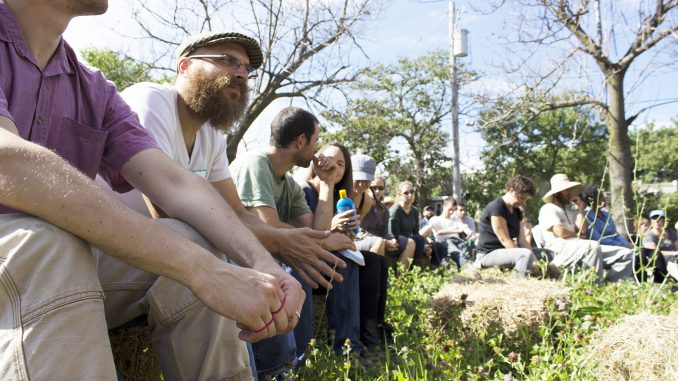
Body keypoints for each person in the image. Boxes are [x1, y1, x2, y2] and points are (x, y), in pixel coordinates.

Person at [0, 1, 302, 379]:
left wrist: (265, 267)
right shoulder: (150, 99)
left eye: (245, 67)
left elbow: (174, 182)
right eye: (228, 60)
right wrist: (201, 270)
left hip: (56, 266)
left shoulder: (93, 89)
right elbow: (7, 161)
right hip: (33, 256)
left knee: (189, 236)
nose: (240, 73)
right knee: (51, 244)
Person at [230, 107, 357, 373]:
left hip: (258, 258)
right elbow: (269, 229)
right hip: (234, 260)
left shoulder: (287, 183)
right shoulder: (256, 163)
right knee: (291, 271)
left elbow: (315, 230)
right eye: (315, 141)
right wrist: (324, 242)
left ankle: (294, 361)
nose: (317, 150)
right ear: (300, 141)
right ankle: (286, 365)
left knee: (297, 266)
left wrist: (328, 183)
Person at [298, 143, 369, 355]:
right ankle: (347, 347)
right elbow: (308, 236)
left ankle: (371, 331)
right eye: (330, 160)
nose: (334, 168)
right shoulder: (304, 190)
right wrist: (333, 227)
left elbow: (343, 238)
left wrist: (348, 234)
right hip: (308, 260)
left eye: (341, 164)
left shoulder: (341, 197)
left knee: (374, 263)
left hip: (325, 255)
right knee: (343, 261)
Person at [538, 174, 633, 282]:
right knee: (592, 246)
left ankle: (613, 288)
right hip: (559, 250)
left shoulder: (571, 210)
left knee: (626, 254)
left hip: (580, 247)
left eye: (570, 189)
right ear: (556, 193)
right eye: (566, 190)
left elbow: (583, 232)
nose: (570, 193)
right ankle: (595, 287)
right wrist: (578, 235)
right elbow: (560, 232)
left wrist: (580, 210)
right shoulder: (548, 209)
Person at [475, 175, 544, 277]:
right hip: (488, 254)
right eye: (522, 198)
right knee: (525, 255)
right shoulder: (497, 207)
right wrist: (530, 258)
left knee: (546, 254)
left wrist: (535, 260)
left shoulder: (517, 212)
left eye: (526, 200)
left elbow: (522, 241)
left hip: (507, 253)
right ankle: (519, 284)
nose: (523, 202)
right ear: (512, 190)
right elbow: (505, 240)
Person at [419, 199, 473, 269]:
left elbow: (462, 226)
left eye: (454, 210)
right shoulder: (436, 219)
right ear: (444, 206)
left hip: (458, 241)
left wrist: (468, 231)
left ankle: (468, 267)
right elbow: (437, 232)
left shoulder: (455, 219)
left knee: (464, 249)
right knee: (456, 252)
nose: (451, 212)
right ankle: (467, 269)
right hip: (444, 242)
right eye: (450, 209)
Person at [389, 181, 431, 267]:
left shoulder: (414, 210)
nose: (410, 195)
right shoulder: (395, 210)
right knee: (418, 241)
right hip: (396, 240)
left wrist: (424, 243)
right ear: (400, 194)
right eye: (406, 193)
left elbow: (416, 232)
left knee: (431, 244)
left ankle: (438, 268)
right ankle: (415, 269)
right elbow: (394, 235)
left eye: (412, 192)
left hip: (411, 238)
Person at [643, 210, 678, 281]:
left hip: (675, 258)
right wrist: (673, 253)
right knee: (672, 263)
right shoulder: (648, 236)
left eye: (659, 219)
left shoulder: (671, 233)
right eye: (654, 219)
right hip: (659, 262)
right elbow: (653, 253)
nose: (656, 221)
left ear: (664, 221)